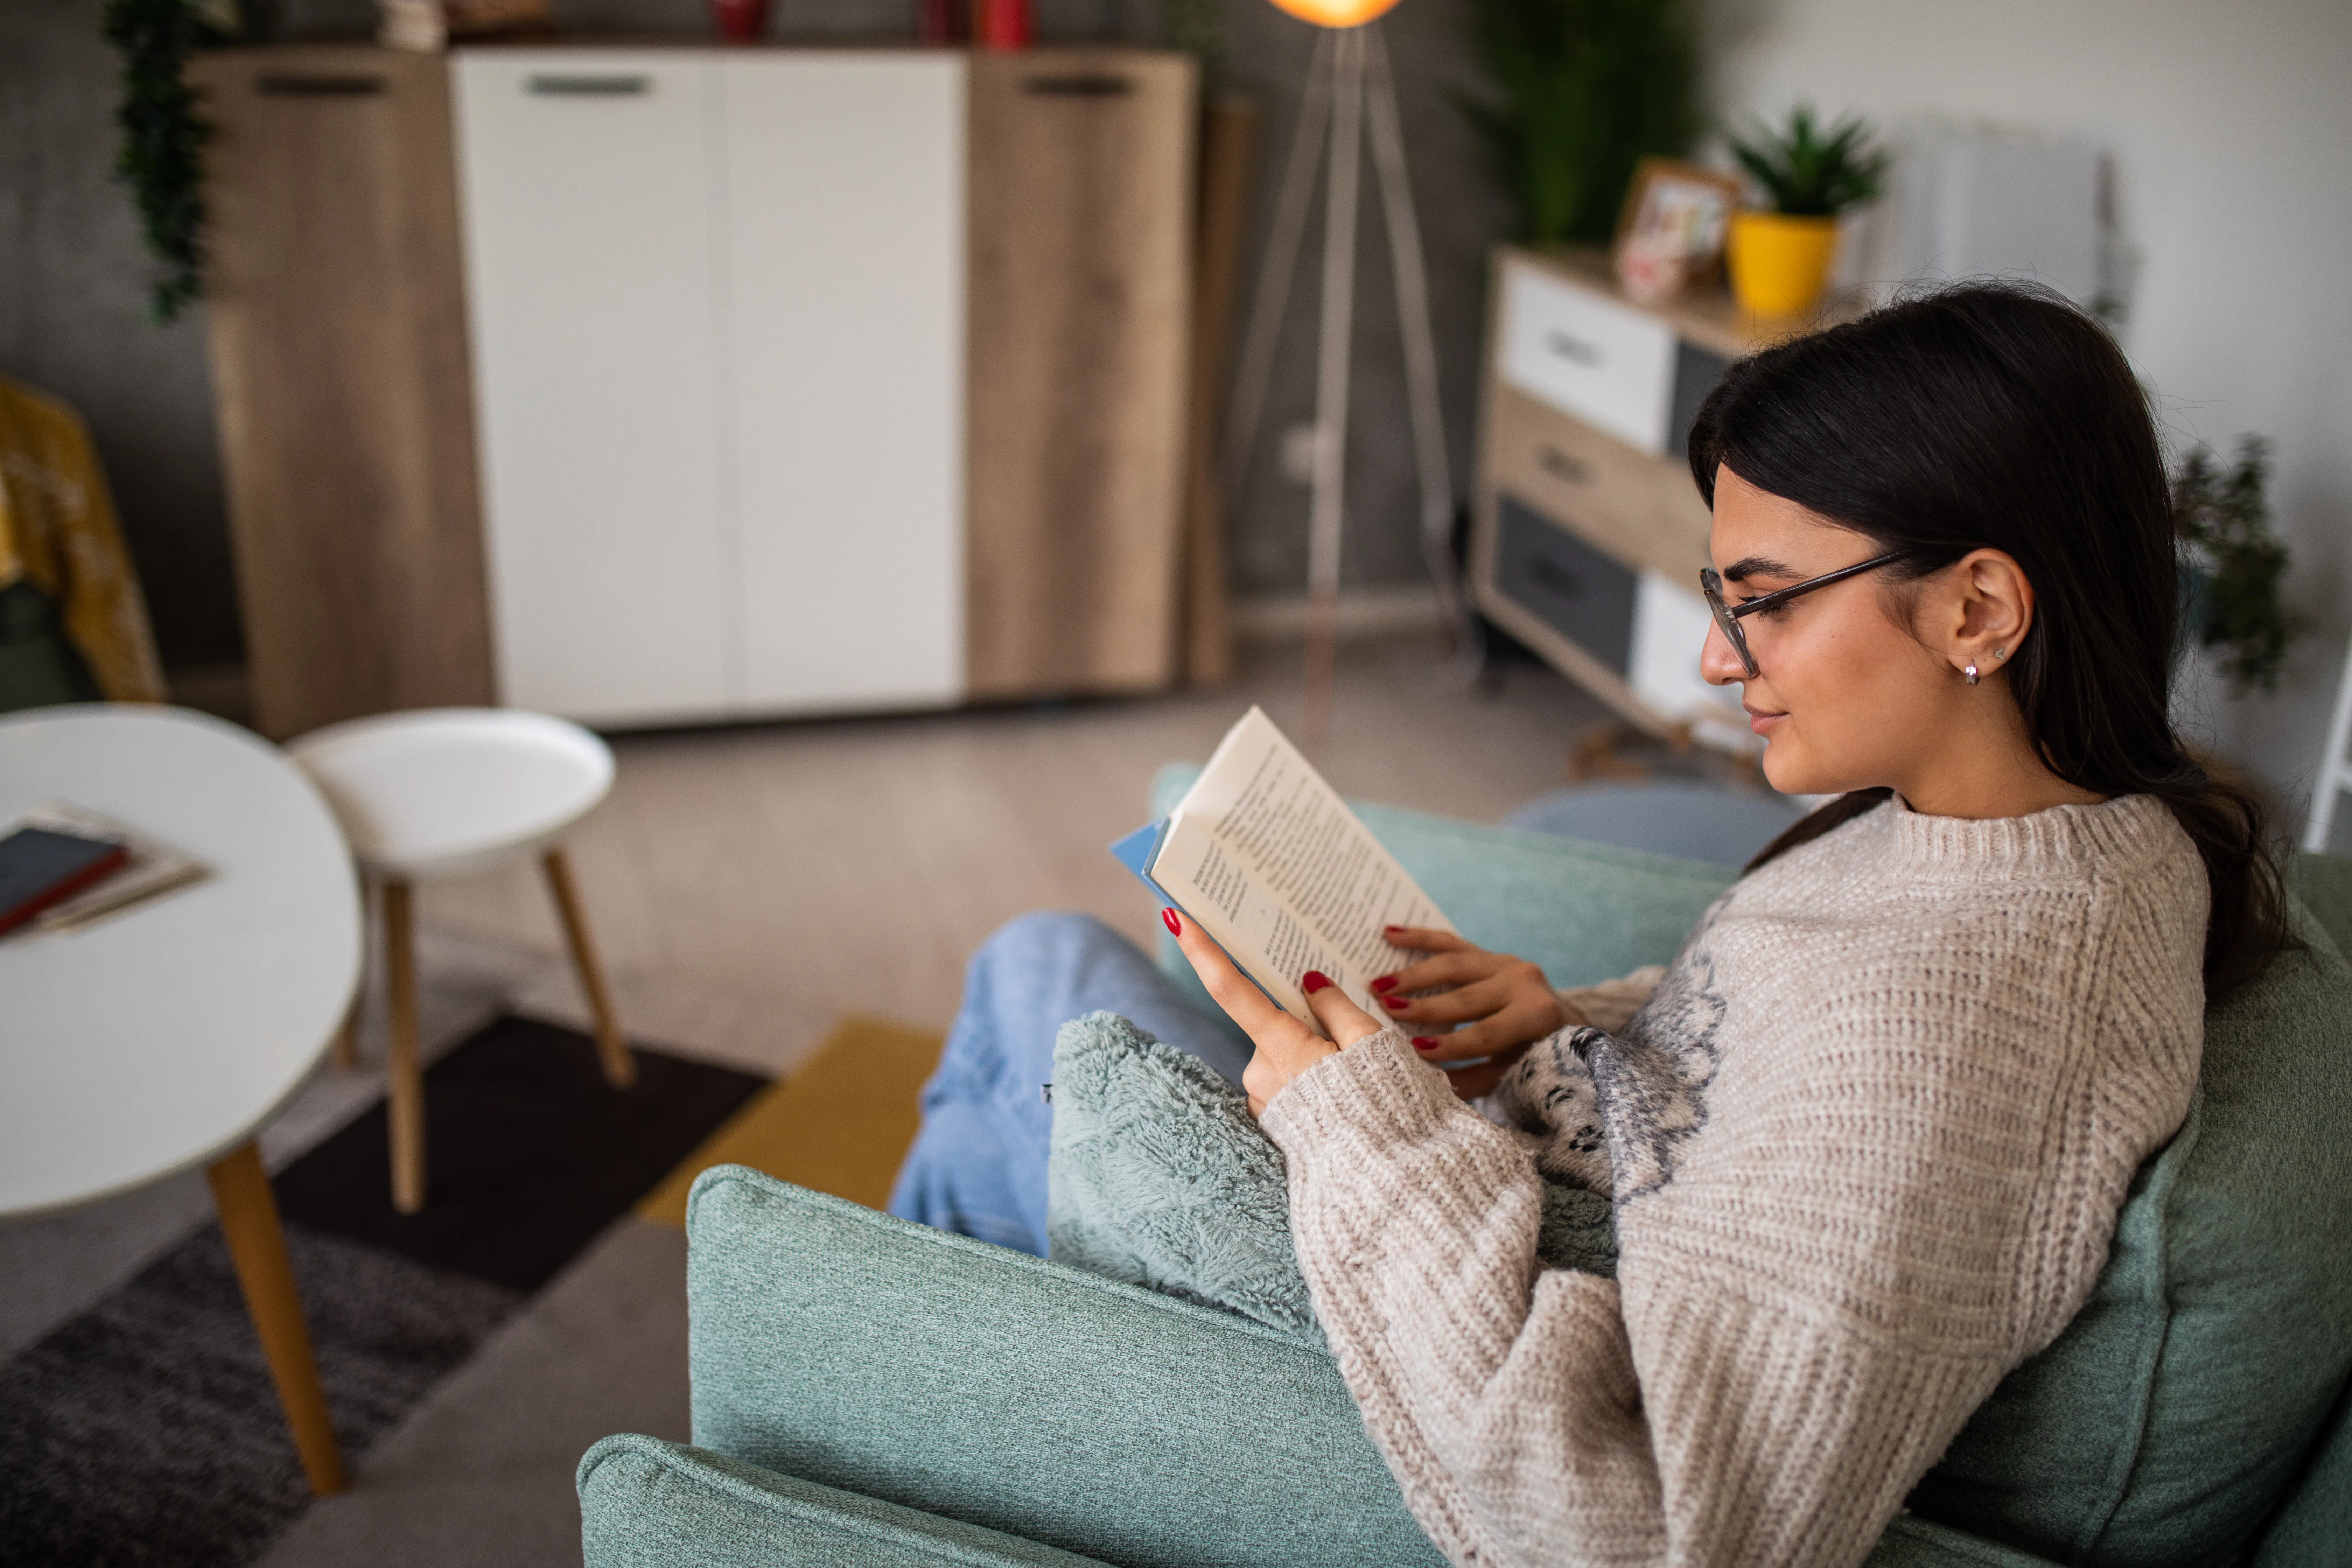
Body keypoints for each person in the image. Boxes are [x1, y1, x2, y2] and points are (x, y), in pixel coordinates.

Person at [888, 283, 2289, 1566]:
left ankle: (897, 1391)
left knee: (1030, 988)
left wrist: (1361, 1122)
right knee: (1058, 1006)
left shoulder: (1963, 1032)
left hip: (1445, 1306)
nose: (1713, 657)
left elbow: (1661, 1530)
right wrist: (1568, 1027)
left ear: (1978, 605)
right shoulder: (2039, 831)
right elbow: (1757, 1080)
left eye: (1766, 604)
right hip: (1485, 1178)